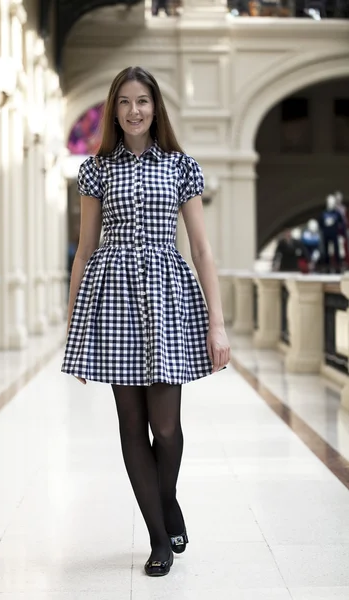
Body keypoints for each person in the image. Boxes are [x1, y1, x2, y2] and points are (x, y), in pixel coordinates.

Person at [61, 66, 230, 577]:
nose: (135, 110)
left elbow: (201, 248)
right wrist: (74, 325)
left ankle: (167, 498)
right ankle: (159, 537)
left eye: (144, 101)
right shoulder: (95, 170)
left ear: (156, 108)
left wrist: (217, 324)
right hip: (112, 299)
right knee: (132, 426)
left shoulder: (181, 166)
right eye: (125, 102)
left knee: (167, 427)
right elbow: (85, 249)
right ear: (114, 110)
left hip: (167, 297)